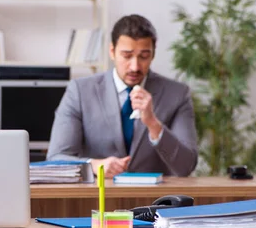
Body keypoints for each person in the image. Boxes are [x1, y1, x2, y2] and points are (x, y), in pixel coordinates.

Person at [47, 14, 197, 177]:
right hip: (97, 197)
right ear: (112, 51)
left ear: (153, 54)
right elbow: (55, 158)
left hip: (154, 199)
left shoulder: (177, 94)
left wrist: (153, 124)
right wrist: (95, 165)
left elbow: (186, 166)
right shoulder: (80, 91)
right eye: (127, 55)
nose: (135, 66)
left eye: (144, 56)